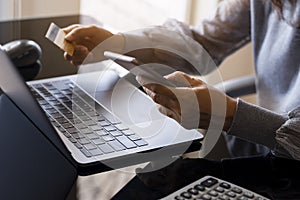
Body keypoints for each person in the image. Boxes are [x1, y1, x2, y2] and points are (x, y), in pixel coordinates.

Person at [63, 0, 300, 199]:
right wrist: (121, 44)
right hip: (266, 152)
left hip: (289, 171)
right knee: (155, 182)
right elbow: (202, 40)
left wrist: (230, 115)